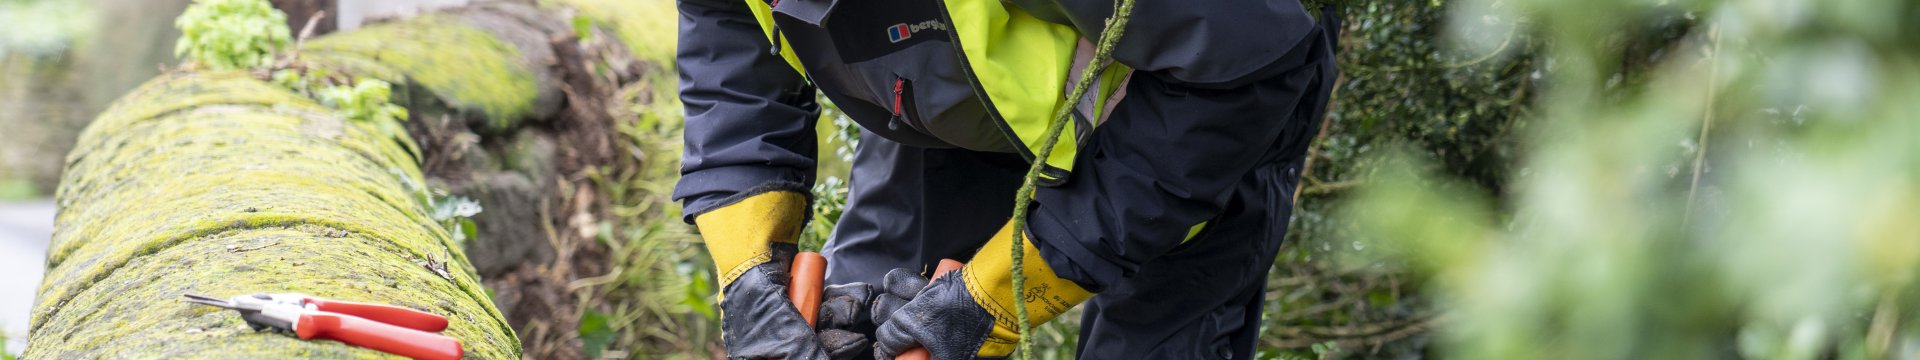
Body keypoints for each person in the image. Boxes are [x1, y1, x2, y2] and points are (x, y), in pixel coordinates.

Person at [672, 0, 1339, 357]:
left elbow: (1250, 66)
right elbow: (732, 71)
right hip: (945, 89)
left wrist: (993, 301)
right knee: (859, 337)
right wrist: (747, 276)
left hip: (1210, 97)